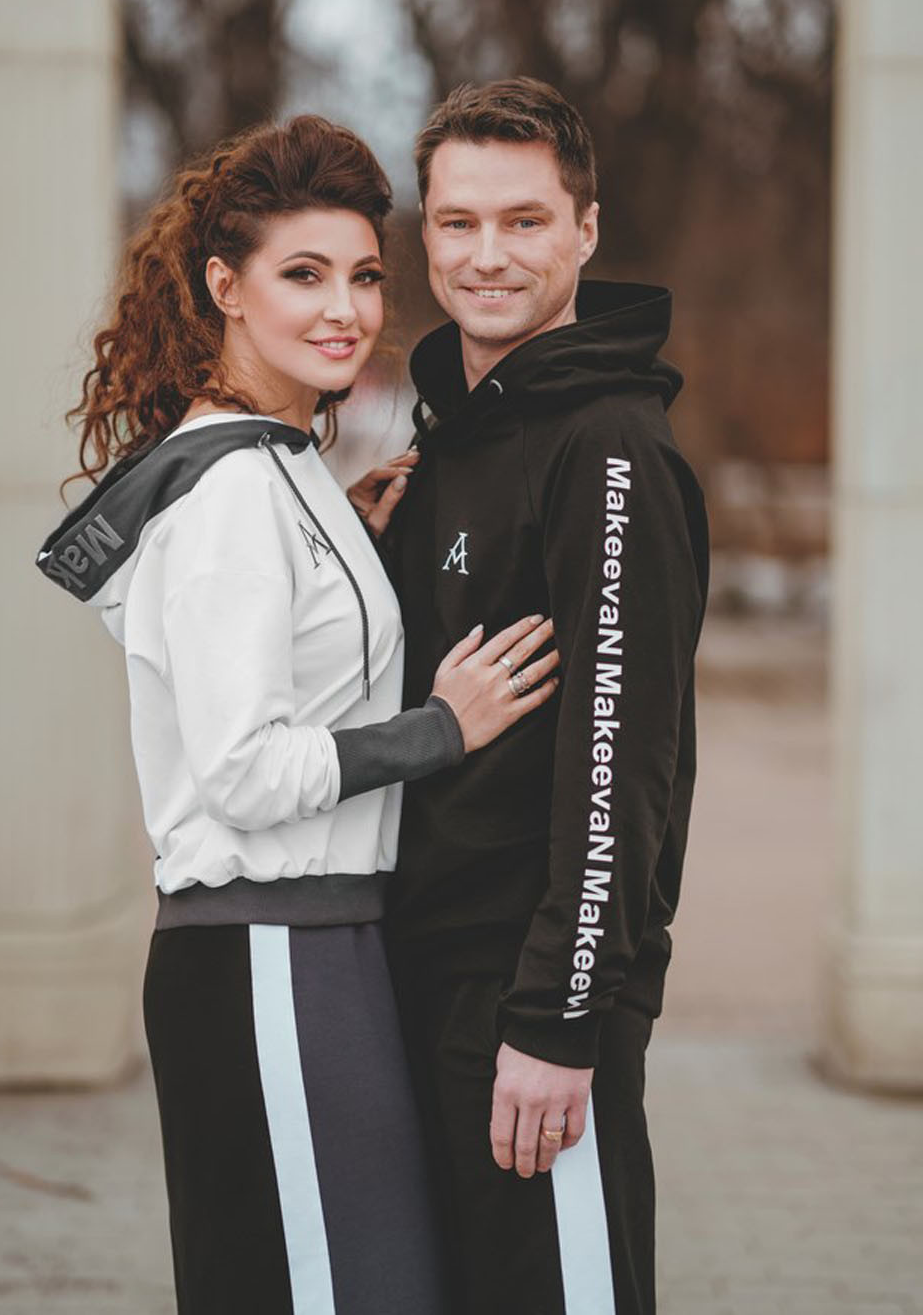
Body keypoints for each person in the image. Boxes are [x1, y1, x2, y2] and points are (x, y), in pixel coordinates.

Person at [35, 114, 560, 1315]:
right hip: (265, 954)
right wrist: (442, 727)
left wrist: (352, 551)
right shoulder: (232, 493)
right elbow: (242, 771)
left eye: (365, 276)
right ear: (225, 287)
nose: (346, 310)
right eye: (304, 276)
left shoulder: (282, 466)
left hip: (323, 949)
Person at [374, 78, 710, 1315]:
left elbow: (622, 756)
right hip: (424, 968)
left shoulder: (606, 443)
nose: (487, 255)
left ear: (585, 229)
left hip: (528, 1002)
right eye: (457, 222)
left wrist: (560, 1020)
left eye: (524, 221)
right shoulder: (450, 437)